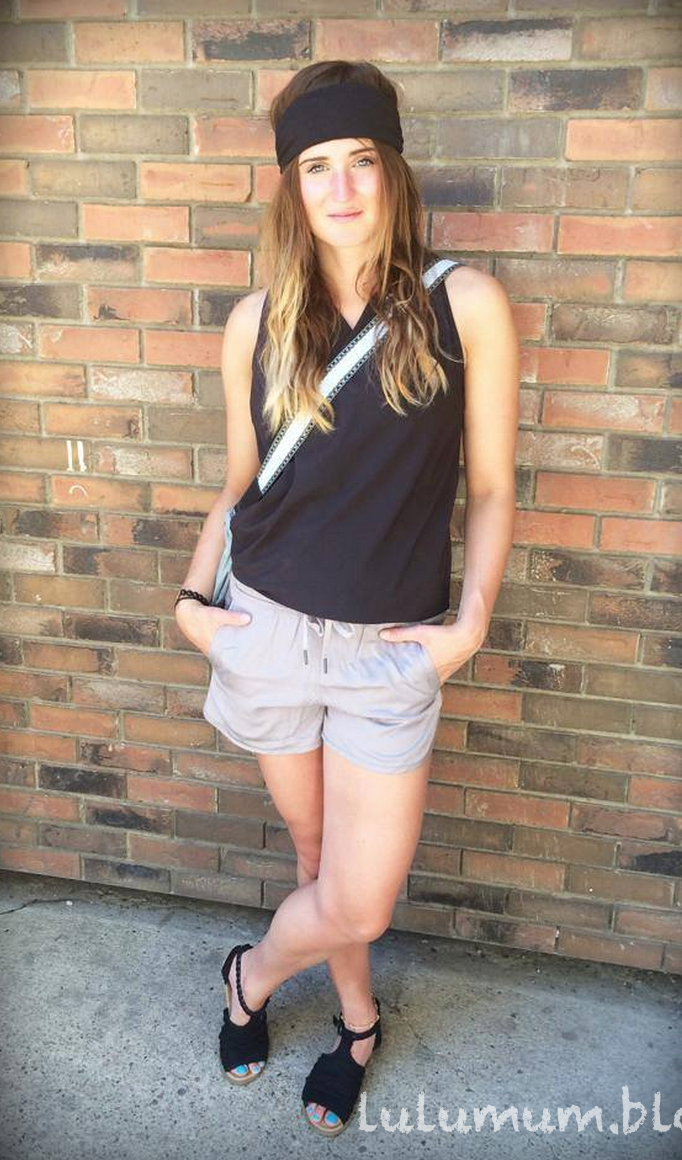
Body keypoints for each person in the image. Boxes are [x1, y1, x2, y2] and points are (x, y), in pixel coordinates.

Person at [174, 59, 520, 1137]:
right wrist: (188, 600)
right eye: (316, 165)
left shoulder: (464, 303)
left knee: (358, 896)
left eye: (361, 159)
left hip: (387, 652)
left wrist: (470, 623)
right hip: (266, 627)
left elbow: (492, 486)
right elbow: (241, 485)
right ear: (291, 184)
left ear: (393, 171)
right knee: (318, 863)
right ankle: (358, 1019)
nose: (341, 186)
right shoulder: (255, 322)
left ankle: (249, 976)